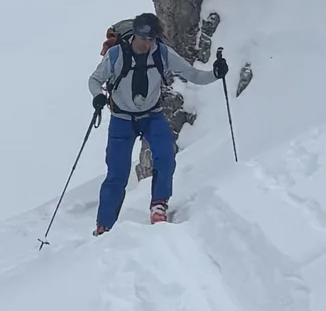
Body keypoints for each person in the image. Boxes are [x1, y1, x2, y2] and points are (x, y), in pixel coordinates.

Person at [90, 15, 226, 230]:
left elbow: (192, 75)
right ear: (135, 34)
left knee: (166, 158)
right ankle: (104, 225)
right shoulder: (116, 55)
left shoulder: (162, 53)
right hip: (121, 119)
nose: (147, 43)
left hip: (152, 115)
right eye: (144, 38)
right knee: (117, 173)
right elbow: (95, 80)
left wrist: (216, 74)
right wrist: (97, 95)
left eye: (151, 38)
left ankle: (159, 205)